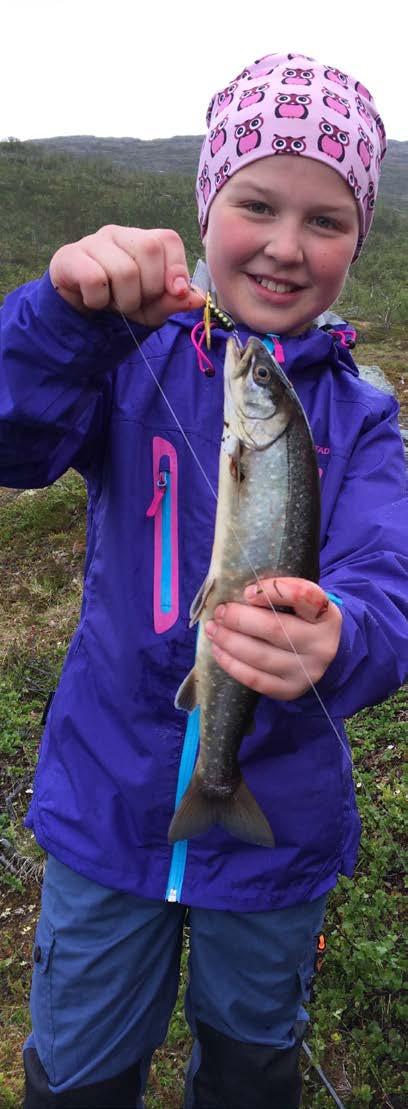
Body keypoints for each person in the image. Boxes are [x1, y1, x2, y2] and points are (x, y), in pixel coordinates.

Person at [1, 51, 406, 1109]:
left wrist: (345, 634)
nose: (284, 245)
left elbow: (389, 580)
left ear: (361, 239)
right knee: (79, 1071)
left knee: (250, 1062)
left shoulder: (364, 417)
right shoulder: (121, 355)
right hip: (108, 812)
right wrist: (60, 315)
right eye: (257, 205)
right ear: (205, 201)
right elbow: (13, 438)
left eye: (326, 219)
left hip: (281, 837)